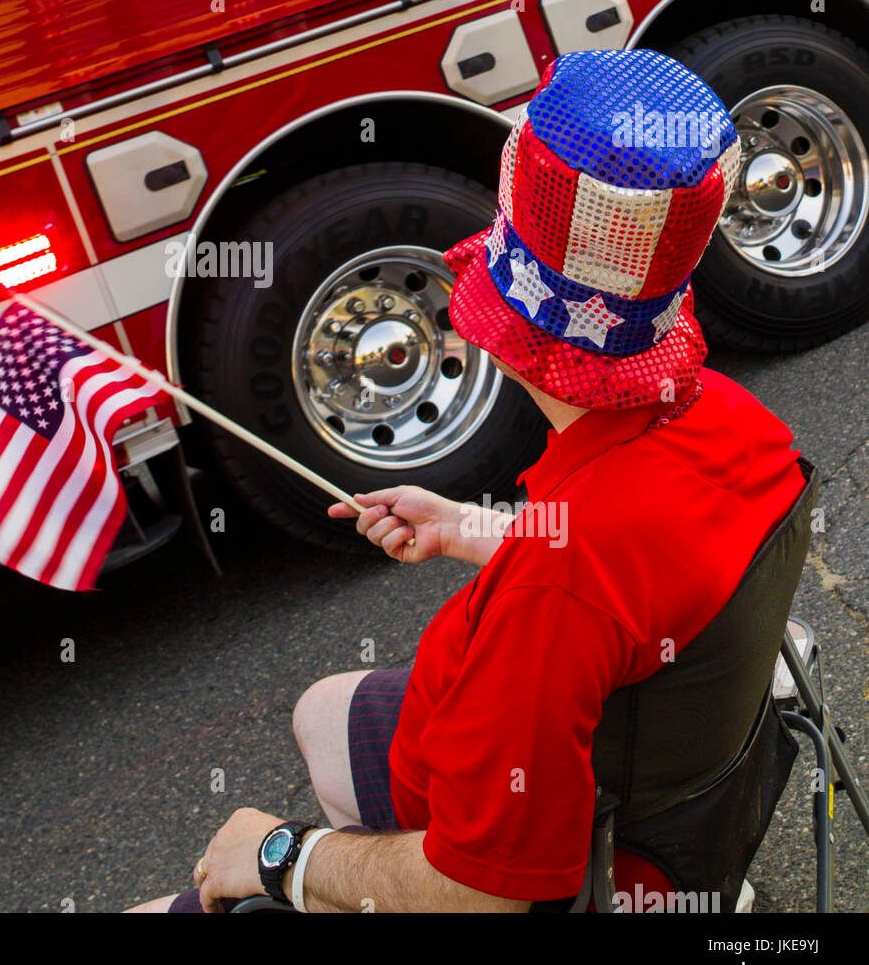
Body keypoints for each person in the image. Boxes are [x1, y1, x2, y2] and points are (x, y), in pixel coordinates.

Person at [128, 49, 808, 913]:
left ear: (510, 329)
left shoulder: (555, 591)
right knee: (323, 707)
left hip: (576, 871)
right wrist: (467, 527)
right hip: (670, 793)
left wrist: (279, 855)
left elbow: (483, 892)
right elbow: (641, 577)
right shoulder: (733, 418)